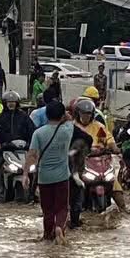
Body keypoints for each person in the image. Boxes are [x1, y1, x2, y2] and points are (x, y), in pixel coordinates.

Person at [24, 94, 78, 241]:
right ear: (61, 115)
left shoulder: (38, 133)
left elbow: (31, 155)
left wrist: (25, 174)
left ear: (47, 115)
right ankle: (59, 227)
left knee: (47, 210)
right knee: (62, 208)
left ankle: (47, 236)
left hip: (44, 177)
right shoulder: (67, 130)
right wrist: (64, 114)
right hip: (62, 177)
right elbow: (70, 118)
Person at [70, 95, 123, 219]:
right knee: (73, 184)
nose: (86, 117)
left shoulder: (98, 127)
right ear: (77, 114)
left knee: (114, 183)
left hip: (100, 161)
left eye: (88, 114)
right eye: (83, 114)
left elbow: (108, 139)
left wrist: (114, 148)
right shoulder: (72, 127)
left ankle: (123, 209)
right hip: (80, 162)